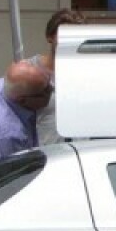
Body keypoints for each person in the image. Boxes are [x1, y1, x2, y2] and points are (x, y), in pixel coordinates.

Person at [32, 8, 85, 145]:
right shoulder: (30, 71)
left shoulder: (85, 74)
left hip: (79, 156)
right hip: (42, 157)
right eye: (63, 36)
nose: (69, 42)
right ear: (50, 37)